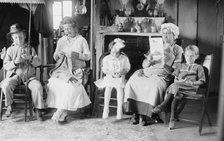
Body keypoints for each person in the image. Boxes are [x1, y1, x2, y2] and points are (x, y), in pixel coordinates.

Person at [124, 23, 184, 126]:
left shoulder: (178, 49)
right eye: (163, 33)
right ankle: (136, 113)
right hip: (148, 71)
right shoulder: (156, 46)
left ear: (174, 35)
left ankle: (145, 115)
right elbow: (144, 65)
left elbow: (176, 71)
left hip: (162, 75)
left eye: (168, 33)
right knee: (132, 82)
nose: (165, 35)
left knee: (154, 86)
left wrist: (164, 64)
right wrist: (149, 60)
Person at [46, 17, 91, 123]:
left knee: (71, 87)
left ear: (75, 28)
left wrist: (75, 55)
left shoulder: (81, 40)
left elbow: (88, 56)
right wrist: (58, 55)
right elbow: (55, 56)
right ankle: (64, 112)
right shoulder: (61, 40)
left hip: (77, 70)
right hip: (63, 70)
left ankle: (59, 112)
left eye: (69, 28)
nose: (67, 31)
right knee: (52, 83)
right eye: (65, 29)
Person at [152, 45, 206, 129]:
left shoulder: (198, 67)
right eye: (187, 55)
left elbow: (202, 81)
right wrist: (163, 65)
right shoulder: (180, 66)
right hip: (179, 88)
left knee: (175, 86)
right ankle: (172, 118)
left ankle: (163, 105)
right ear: (184, 55)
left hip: (190, 88)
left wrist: (192, 82)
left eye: (192, 56)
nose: (189, 58)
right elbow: (175, 76)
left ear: (196, 56)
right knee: (177, 94)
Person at [1, 23, 45, 121]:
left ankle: (38, 108)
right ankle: (11, 104)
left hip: (29, 76)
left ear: (24, 36)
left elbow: (38, 63)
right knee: (5, 85)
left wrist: (31, 58)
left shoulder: (31, 48)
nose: (19, 39)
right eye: (16, 37)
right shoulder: (10, 50)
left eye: (20, 36)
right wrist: (15, 62)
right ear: (12, 38)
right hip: (15, 76)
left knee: (37, 87)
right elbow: (6, 65)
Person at [95, 38, 130, 120]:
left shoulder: (124, 58)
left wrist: (120, 73)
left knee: (120, 89)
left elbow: (127, 68)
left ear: (120, 51)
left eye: (116, 52)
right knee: (108, 88)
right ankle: (106, 109)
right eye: (112, 51)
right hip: (110, 77)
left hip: (120, 77)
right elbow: (105, 69)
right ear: (110, 50)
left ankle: (119, 110)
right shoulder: (107, 58)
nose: (114, 54)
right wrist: (111, 73)